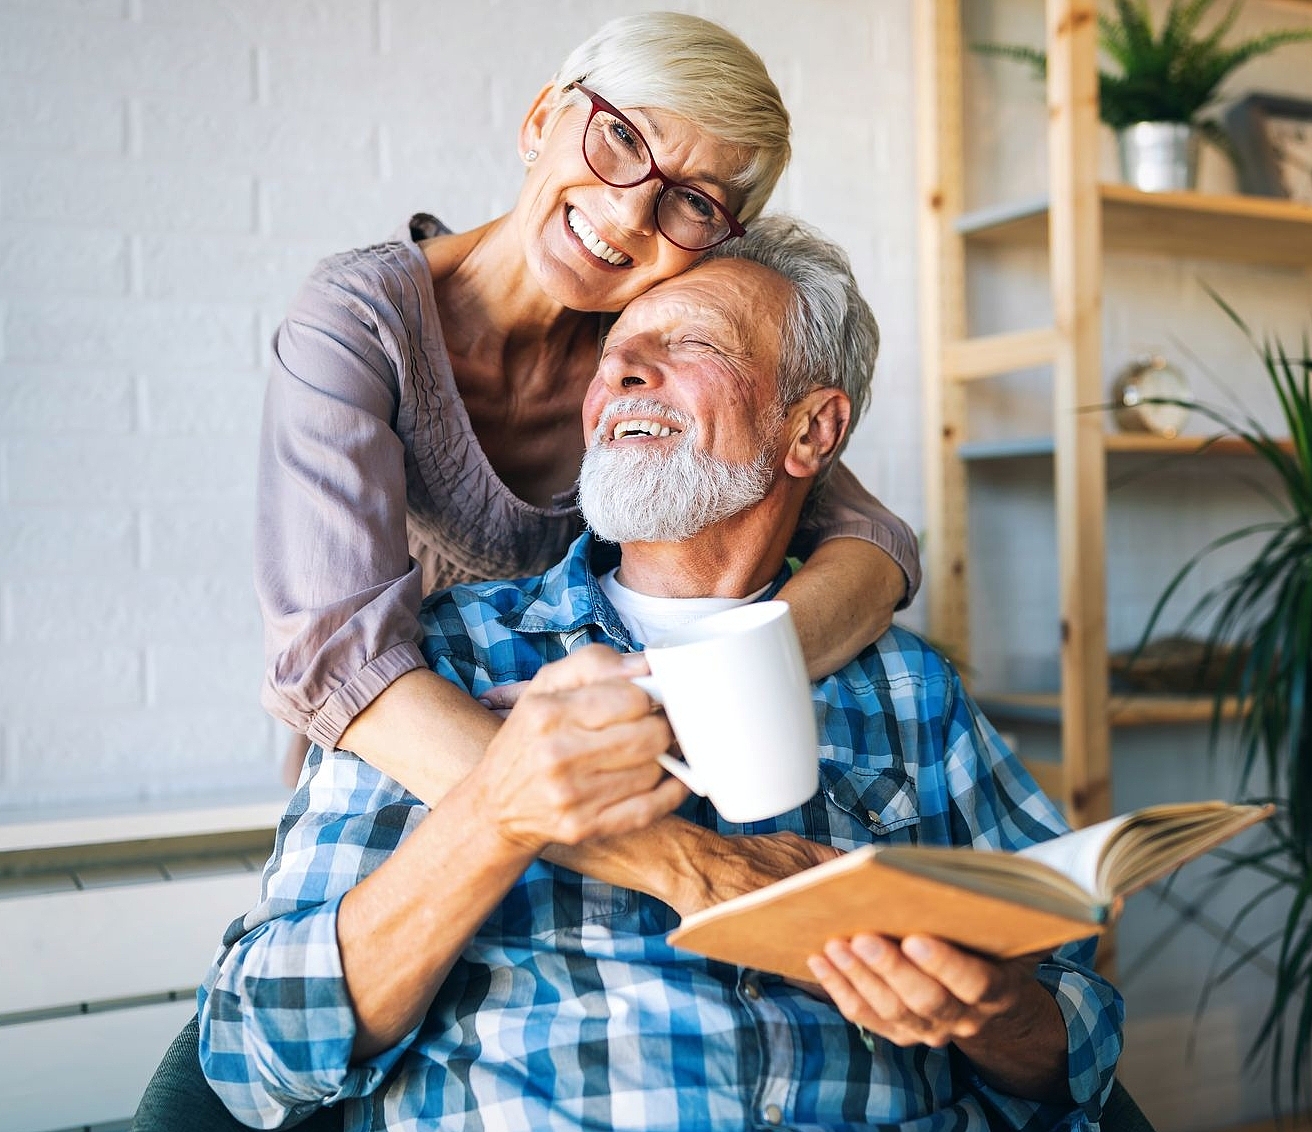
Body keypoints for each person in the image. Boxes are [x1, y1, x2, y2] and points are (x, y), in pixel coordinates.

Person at [199, 216, 1124, 1131]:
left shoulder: (909, 689)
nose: (623, 372)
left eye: (690, 343)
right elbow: (250, 1052)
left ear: (811, 431)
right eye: (615, 354)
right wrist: (491, 813)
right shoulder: (448, 665)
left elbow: (1078, 1039)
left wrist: (992, 1011)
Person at [259, 10, 918, 812]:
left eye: (694, 202)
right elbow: (338, 660)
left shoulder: (651, 352)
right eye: (620, 139)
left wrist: (685, 693)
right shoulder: (359, 321)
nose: (630, 214)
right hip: (417, 746)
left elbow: (873, 547)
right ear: (541, 119)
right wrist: (670, 859)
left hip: (625, 740)